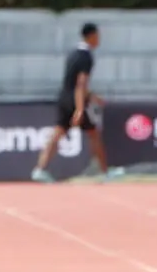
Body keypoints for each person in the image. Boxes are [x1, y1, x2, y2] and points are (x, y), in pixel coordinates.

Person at [31, 22, 123, 182]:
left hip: (64, 97)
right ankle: (104, 173)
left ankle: (39, 169)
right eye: (97, 36)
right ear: (92, 36)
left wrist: (93, 97)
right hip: (76, 100)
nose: (98, 40)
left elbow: (73, 82)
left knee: (58, 133)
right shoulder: (86, 56)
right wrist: (80, 109)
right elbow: (81, 84)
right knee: (94, 134)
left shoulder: (73, 53)